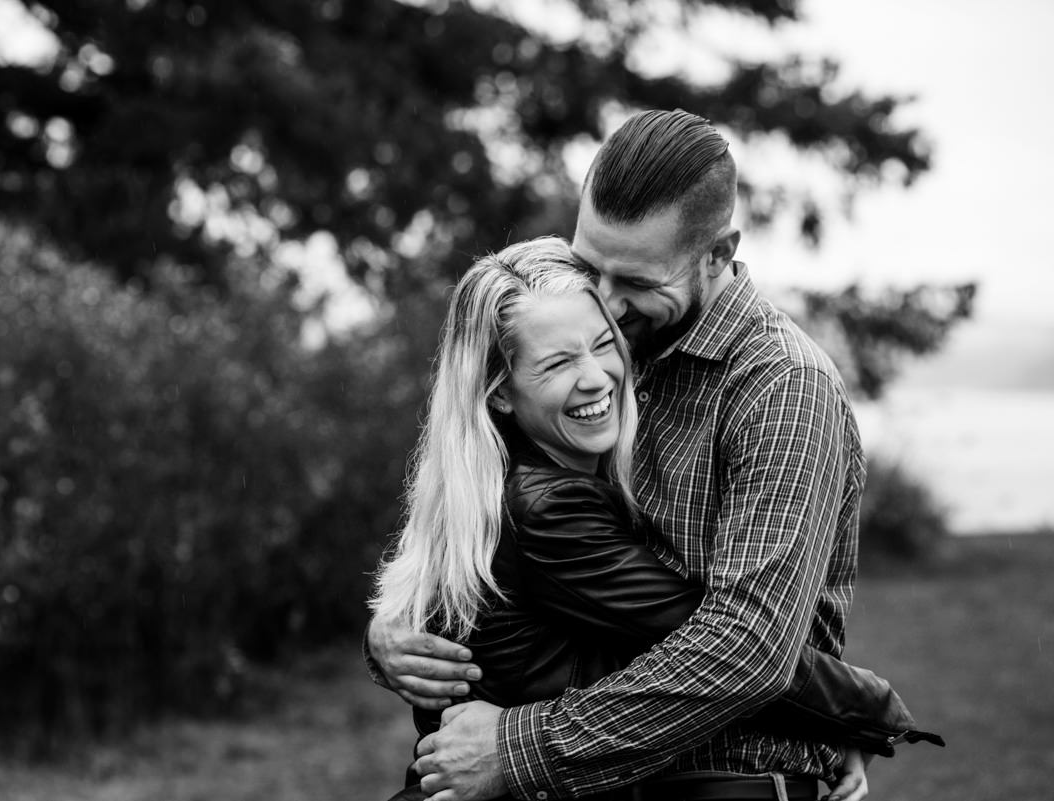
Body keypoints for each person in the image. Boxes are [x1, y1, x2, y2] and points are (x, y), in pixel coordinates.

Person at [368, 109, 935, 801]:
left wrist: (519, 747)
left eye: (634, 281)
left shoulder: (782, 387)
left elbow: (748, 647)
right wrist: (396, 633)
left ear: (717, 253)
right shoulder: (600, 346)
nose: (605, 303)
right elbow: (475, 506)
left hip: (728, 781)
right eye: (591, 264)